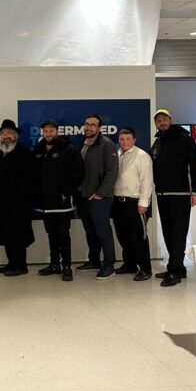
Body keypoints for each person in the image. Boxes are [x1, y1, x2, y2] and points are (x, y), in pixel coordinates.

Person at [151, 109, 196, 287]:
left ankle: (174, 271)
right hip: (162, 195)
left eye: (164, 119)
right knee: (168, 233)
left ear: (170, 120)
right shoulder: (158, 142)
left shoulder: (184, 139)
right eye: (158, 120)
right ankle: (177, 267)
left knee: (178, 233)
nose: (162, 122)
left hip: (180, 195)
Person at [33, 119, 84, 281]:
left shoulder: (69, 149)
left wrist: (66, 192)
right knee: (51, 234)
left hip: (62, 203)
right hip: (45, 203)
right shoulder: (39, 149)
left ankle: (67, 266)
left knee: (63, 235)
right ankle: (54, 264)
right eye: (45, 131)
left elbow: (78, 173)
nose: (48, 134)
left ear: (57, 132)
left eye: (51, 131)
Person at [0, 119, 35, 277]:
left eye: (9, 133)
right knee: (7, 235)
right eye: (3, 133)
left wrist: (20, 201)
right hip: (3, 204)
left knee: (18, 236)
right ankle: (11, 263)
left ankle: (21, 265)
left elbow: (29, 181)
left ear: (16, 135)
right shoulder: (2, 152)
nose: (6, 136)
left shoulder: (23, 153)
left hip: (18, 205)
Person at [76, 114, 119, 280]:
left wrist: (101, 193)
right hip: (84, 196)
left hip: (100, 197)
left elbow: (112, 171)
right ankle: (94, 261)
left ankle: (109, 265)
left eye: (93, 125)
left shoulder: (106, 144)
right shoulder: (83, 143)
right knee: (90, 231)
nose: (89, 127)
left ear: (99, 128)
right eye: (87, 124)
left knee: (103, 231)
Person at [111, 127, 153, 282]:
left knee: (138, 237)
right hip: (118, 202)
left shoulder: (142, 156)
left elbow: (147, 181)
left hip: (135, 203)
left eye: (128, 139)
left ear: (134, 140)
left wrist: (143, 203)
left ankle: (145, 268)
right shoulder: (117, 155)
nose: (124, 142)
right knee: (123, 235)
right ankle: (130, 264)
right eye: (122, 139)